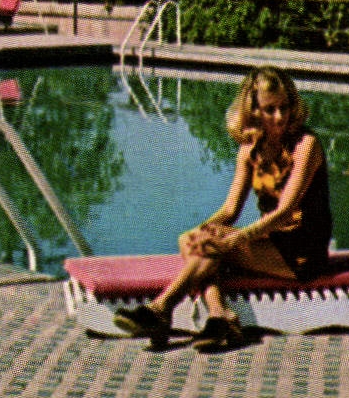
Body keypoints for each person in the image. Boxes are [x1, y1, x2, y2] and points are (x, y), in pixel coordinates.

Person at [113, 66, 332, 351]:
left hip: (304, 249)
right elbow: (230, 209)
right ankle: (220, 317)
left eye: (285, 107)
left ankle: (163, 307)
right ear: (254, 112)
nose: (280, 117)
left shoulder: (306, 145)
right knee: (189, 240)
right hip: (272, 241)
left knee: (213, 247)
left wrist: (232, 240)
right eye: (270, 109)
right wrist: (202, 231)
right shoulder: (249, 149)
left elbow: (285, 212)